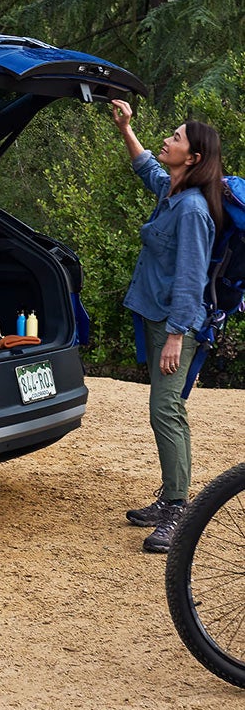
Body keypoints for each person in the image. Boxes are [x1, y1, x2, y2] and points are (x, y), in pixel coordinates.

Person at [111, 99, 224, 553]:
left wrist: (177, 335)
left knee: (166, 409)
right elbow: (148, 170)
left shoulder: (193, 209)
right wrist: (126, 128)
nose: (166, 140)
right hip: (159, 318)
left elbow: (192, 278)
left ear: (193, 158)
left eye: (175, 138)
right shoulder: (172, 191)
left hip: (177, 325)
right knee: (165, 409)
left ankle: (178, 510)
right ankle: (171, 500)